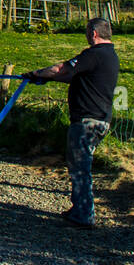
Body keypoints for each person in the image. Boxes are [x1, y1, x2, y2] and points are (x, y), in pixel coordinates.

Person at [27, 17, 119, 229]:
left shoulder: (93, 54)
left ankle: (84, 214)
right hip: (100, 119)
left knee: (80, 168)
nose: (86, 35)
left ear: (94, 33)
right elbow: (72, 77)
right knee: (80, 166)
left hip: (87, 121)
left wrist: (36, 74)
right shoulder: (109, 56)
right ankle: (79, 208)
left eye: (87, 32)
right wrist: (44, 78)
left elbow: (63, 69)